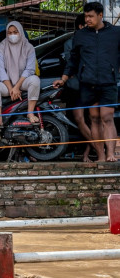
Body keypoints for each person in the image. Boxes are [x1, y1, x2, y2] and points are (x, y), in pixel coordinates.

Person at [54, 2, 120, 162]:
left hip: (108, 82)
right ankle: (101, 156)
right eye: (86, 16)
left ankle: (111, 153)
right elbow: (73, 60)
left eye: (91, 16)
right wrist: (63, 78)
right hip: (88, 83)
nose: (88, 19)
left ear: (100, 15)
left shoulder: (116, 33)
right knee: (94, 119)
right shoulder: (81, 35)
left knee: (107, 117)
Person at [0, 21, 41, 130]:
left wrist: (17, 87)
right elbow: (1, 71)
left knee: (35, 80)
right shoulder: (1, 47)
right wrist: (11, 88)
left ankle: (30, 113)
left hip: (22, 83)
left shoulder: (29, 47)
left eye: (15, 32)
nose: (12, 35)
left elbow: (30, 69)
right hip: (7, 84)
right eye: (10, 33)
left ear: (21, 32)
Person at [62, 13, 94, 162]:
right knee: (77, 120)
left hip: (92, 87)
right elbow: (72, 64)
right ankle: (86, 149)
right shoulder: (70, 43)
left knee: (92, 119)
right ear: (81, 26)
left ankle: (90, 151)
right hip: (76, 89)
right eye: (87, 24)